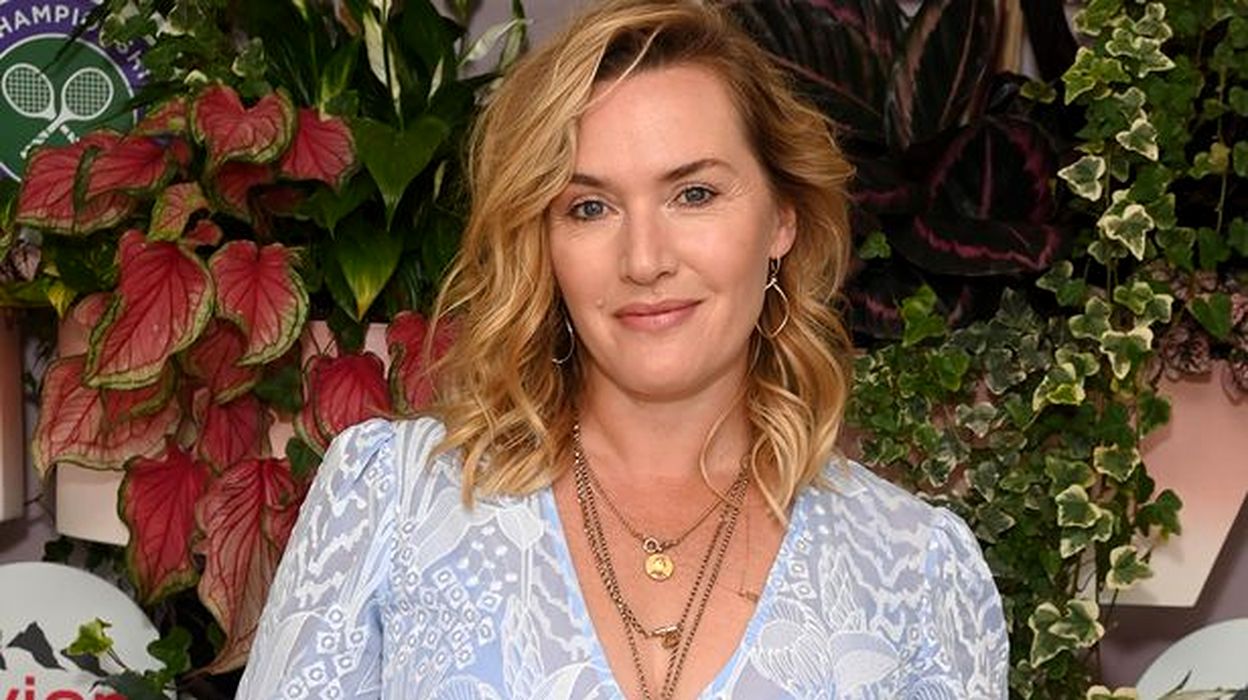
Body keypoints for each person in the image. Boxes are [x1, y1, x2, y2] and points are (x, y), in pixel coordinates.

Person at [237, 0, 1009, 698]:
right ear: (542, 241)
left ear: (782, 218)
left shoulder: (916, 574)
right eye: (590, 207)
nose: (644, 260)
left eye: (694, 194)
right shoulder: (393, 505)